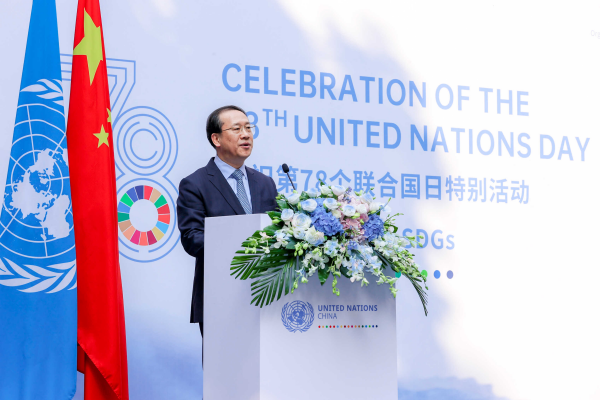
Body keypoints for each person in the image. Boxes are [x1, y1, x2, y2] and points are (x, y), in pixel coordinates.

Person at [176, 105, 278, 342]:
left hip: (266, 296)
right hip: (219, 299)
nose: (246, 134)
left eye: (248, 128)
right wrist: (244, 243)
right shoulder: (195, 184)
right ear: (216, 139)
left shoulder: (265, 183)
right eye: (237, 129)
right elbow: (192, 239)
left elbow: (278, 231)